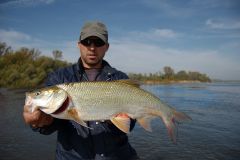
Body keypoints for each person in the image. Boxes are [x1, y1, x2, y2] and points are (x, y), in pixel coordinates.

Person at [23, 21, 139, 160]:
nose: (92, 48)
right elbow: (51, 125)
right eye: (87, 42)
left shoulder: (120, 78)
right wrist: (43, 121)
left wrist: (118, 118)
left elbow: (129, 125)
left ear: (106, 47)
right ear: (79, 45)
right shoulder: (59, 78)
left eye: (98, 42)